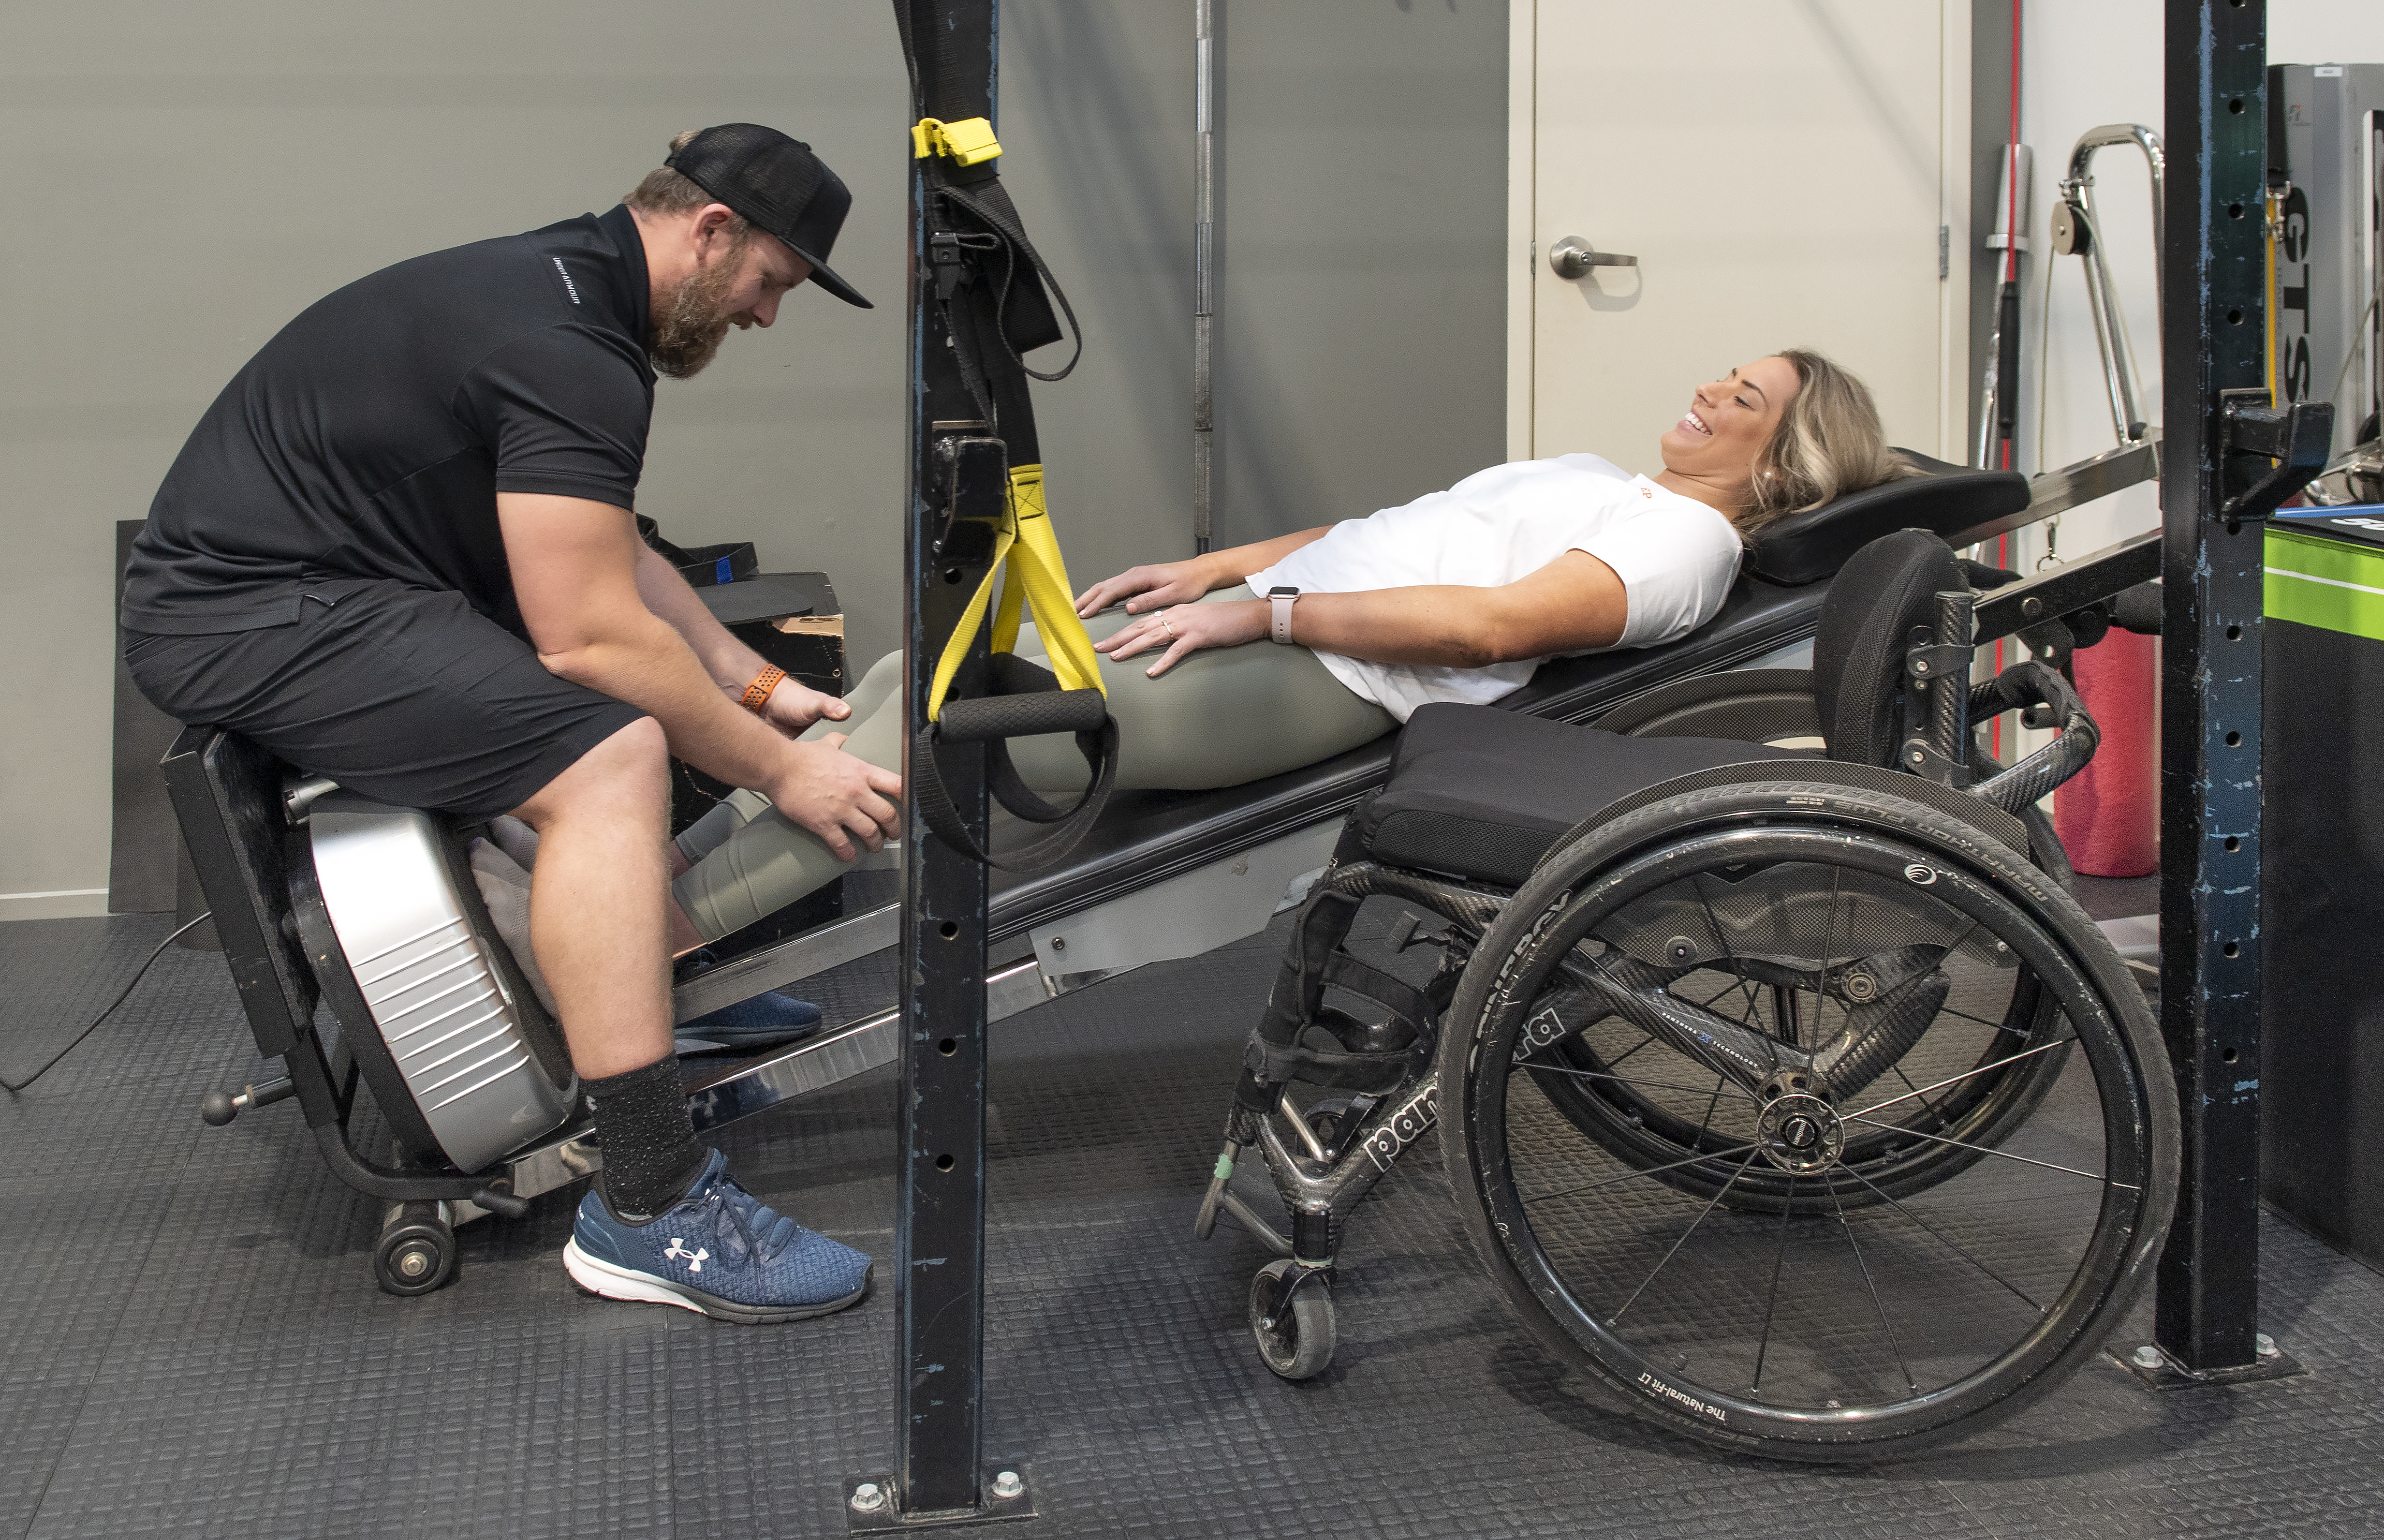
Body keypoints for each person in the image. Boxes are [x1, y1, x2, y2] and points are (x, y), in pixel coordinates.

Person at [121, 126, 898, 1324]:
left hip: (318, 590)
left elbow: (611, 547)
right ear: (712, 232)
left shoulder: (563, 286)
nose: (764, 317)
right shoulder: (573, 346)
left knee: (603, 710)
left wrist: (754, 684)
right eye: (770, 283)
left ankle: (640, 972)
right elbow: (589, 635)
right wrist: (783, 770)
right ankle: (648, 1203)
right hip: (246, 612)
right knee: (608, 751)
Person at [667, 348, 1901, 941]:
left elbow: (1488, 623)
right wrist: (1224, 564)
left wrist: (1268, 613)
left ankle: (638, 962)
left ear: (1787, 458)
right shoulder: (1596, 472)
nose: (1707, 390)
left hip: (1333, 676)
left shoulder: (1688, 548)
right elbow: (1394, 532)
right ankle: (651, 903)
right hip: (1287, 619)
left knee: (947, 738)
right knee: (896, 682)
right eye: (1724, 373)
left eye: (1744, 399)